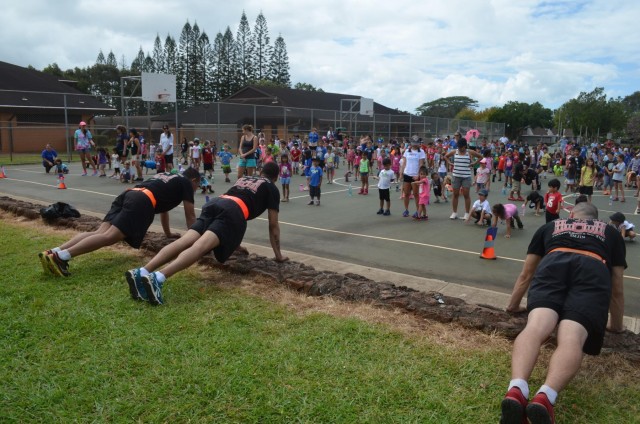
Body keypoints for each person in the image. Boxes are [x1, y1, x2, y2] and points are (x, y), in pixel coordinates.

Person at [500, 202, 626, 424]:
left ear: (571, 214)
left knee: (535, 327)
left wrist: (513, 306)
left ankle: (517, 388)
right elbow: (617, 287)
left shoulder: (550, 226)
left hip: (553, 264)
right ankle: (546, 396)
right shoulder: (611, 232)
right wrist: (616, 325)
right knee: (571, 337)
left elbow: (526, 274)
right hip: (592, 269)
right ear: (597, 220)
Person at [125, 162, 288, 305]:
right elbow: (273, 226)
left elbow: (233, 204)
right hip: (233, 211)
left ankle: (143, 271)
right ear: (276, 177)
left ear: (261, 172)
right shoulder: (271, 187)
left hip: (215, 203)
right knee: (200, 247)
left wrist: (235, 244)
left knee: (185, 241)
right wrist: (278, 255)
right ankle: (159, 277)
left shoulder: (245, 178)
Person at [39, 168, 200, 277]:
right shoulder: (186, 182)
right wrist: (197, 242)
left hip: (130, 194)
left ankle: (53, 252)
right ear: (193, 180)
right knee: (110, 237)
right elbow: (190, 216)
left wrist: (168, 233)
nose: (196, 189)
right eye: (197, 185)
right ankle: (61, 257)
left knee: (99, 233)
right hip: (141, 201)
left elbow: (164, 210)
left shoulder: (169, 177)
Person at [445, 137, 484, 220]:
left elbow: (481, 156)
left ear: (465, 146)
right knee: (455, 195)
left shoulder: (469, 152)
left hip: (466, 177)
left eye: (461, 147)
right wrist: (449, 163)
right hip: (456, 176)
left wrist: (474, 163)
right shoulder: (454, 151)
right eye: (458, 146)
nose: (459, 148)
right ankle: (454, 212)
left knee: (466, 195)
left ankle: (466, 213)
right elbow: (446, 156)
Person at [400, 136, 426, 218]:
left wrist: (418, 175)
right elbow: (404, 163)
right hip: (407, 174)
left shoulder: (421, 151)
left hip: (415, 175)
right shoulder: (407, 151)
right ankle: (406, 210)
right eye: (414, 142)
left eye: (417, 142)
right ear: (411, 142)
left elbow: (421, 164)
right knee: (406, 193)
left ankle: (417, 211)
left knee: (416, 194)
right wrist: (401, 173)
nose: (415, 144)